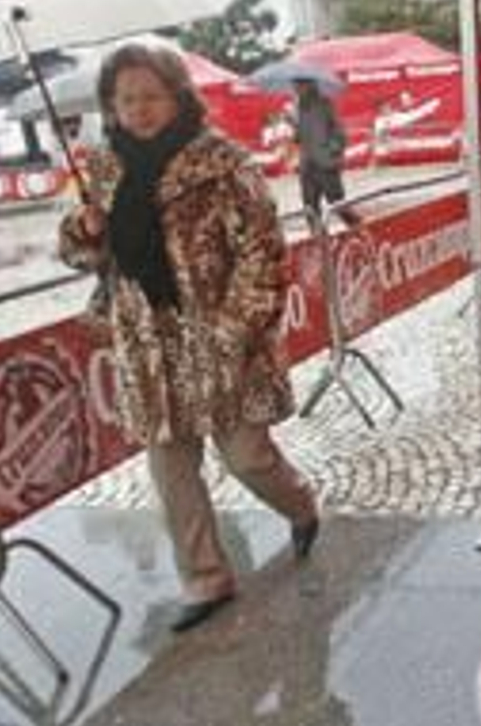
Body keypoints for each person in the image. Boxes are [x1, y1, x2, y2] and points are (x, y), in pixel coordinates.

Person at [59, 44, 319, 634]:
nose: (140, 109)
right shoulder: (101, 169)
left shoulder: (223, 162)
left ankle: (300, 505)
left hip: (221, 340)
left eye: (151, 95)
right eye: (126, 99)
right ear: (111, 105)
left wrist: (235, 329)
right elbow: (83, 254)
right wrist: (85, 230)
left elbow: (263, 251)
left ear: (178, 96)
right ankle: (205, 578)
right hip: (147, 347)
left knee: (248, 458)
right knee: (171, 469)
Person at [292, 77, 358, 227]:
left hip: (326, 165)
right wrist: (294, 126)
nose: (295, 89)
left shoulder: (324, 104)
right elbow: (299, 138)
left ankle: (361, 231)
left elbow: (340, 134)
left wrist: (330, 151)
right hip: (307, 167)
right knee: (310, 210)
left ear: (309, 85)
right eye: (294, 86)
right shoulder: (297, 108)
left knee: (339, 206)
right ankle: (319, 243)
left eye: (298, 85)